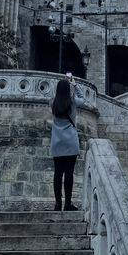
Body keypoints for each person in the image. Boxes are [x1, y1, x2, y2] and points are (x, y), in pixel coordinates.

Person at [50, 74, 85, 212]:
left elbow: (51, 95)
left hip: (57, 143)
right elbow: (83, 98)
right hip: (70, 142)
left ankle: (57, 204)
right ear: (68, 90)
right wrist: (74, 84)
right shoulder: (73, 103)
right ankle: (68, 203)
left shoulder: (52, 103)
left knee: (58, 173)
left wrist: (60, 86)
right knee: (69, 173)